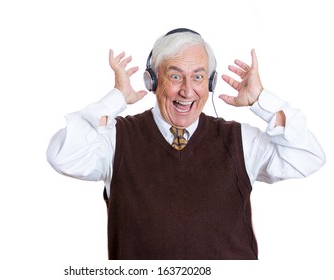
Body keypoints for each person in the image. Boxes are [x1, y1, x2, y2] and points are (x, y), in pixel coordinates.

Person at [46, 28, 325, 260]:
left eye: (199, 77)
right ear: (152, 81)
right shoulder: (116, 138)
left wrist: (264, 102)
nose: (187, 90)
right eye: (175, 75)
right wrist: (114, 99)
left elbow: (309, 157)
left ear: (210, 84)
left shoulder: (240, 139)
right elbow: (63, 155)